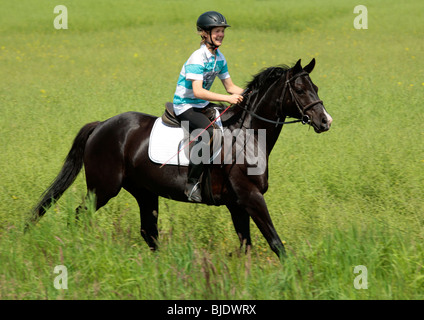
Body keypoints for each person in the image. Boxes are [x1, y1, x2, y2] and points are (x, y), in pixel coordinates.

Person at [173, 11, 244, 202]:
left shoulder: (219, 58)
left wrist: (251, 93)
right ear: (205, 34)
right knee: (209, 133)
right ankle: (192, 183)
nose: (221, 34)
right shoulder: (198, 58)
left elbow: (230, 87)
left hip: (202, 104)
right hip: (185, 105)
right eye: (217, 31)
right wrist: (228, 99)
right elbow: (197, 92)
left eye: (222, 31)